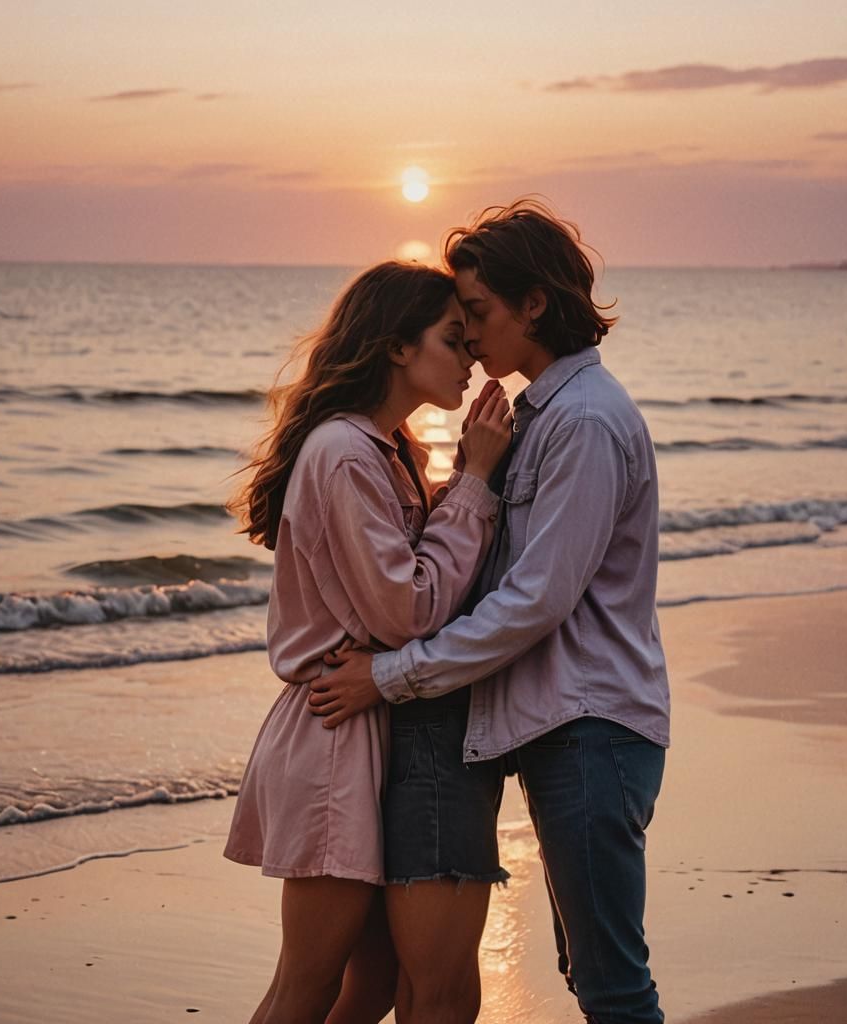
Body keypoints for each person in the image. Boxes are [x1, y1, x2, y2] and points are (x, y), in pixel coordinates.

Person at [309, 200, 671, 1024]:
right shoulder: (539, 416)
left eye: (476, 312)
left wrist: (389, 677)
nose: (469, 337)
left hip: (593, 730)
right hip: (568, 730)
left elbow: (533, 601)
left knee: (611, 982)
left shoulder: (581, 421)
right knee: (594, 974)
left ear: (533, 304)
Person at [223, 260, 513, 1024]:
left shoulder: (391, 451)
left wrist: (453, 490)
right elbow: (407, 610)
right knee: (305, 986)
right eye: (454, 340)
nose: (472, 356)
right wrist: (477, 483)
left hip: (366, 721)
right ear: (395, 347)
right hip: (332, 734)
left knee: (373, 985)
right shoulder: (347, 453)